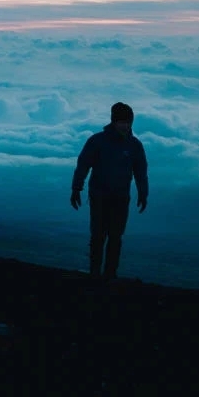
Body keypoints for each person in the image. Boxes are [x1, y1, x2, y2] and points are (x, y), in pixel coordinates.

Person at [70, 102, 149, 280]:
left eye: (128, 122)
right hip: (99, 196)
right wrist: (76, 188)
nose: (125, 126)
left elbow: (141, 172)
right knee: (98, 236)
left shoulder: (135, 146)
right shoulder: (97, 141)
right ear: (113, 122)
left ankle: (110, 274)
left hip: (121, 198)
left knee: (116, 237)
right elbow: (83, 165)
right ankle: (95, 273)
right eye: (121, 122)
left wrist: (143, 193)